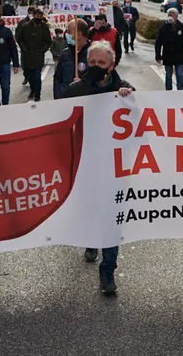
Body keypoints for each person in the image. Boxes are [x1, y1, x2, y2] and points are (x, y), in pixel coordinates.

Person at [60, 41, 134, 296]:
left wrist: (129, 97)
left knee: (111, 218)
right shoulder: (76, 90)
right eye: (92, 62)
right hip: (85, 164)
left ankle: (108, 270)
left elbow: (141, 123)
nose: (96, 66)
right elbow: (58, 118)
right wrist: (77, 90)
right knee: (91, 210)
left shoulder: (125, 91)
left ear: (112, 65)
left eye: (101, 63)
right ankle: (91, 240)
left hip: (115, 167)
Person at [16, 8, 52, 102]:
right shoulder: (25, 26)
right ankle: (32, 90)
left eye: (40, 16)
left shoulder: (44, 27)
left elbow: (48, 41)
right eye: (37, 15)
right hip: (27, 55)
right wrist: (24, 49)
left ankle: (37, 94)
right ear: (33, 15)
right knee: (30, 76)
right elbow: (20, 39)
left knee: (37, 76)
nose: (38, 17)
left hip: (38, 55)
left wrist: (42, 50)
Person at [155, 8, 183, 91]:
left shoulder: (182, 27)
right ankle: (169, 91)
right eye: (169, 15)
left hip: (179, 56)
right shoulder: (163, 28)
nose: (170, 16)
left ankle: (180, 91)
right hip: (167, 55)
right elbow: (158, 43)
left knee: (179, 74)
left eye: (172, 15)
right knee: (168, 75)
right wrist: (158, 56)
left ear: (176, 16)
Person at [53, 19, 91, 99]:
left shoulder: (94, 53)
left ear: (79, 34)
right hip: (65, 100)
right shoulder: (65, 53)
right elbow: (57, 78)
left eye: (69, 31)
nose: (66, 34)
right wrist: (58, 96)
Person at [15, 6, 37, 87]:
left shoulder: (39, 22)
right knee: (24, 64)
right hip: (25, 48)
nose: (31, 14)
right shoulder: (22, 22)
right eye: (30, 12)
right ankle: (26, 76)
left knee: (35, 64)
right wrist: (22, 46)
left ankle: (34, 79)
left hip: (35, 48)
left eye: (33, 12)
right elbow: (17, 35)